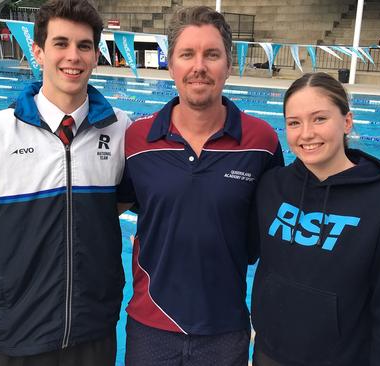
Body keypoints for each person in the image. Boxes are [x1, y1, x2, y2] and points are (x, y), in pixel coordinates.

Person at [0, 1, 131, 365]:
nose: (72, 57)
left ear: (95, 56)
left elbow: (127, 204)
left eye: (84, 46)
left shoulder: (121, 130)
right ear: (38, 52)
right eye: (61, 44)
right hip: (17, 336)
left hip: (93, 332)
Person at [117, 6, 284, 365]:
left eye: (211, 54)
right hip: (150, 326)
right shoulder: (137, 139)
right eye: (187, 54)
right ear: (171, 63)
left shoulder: (262, 142)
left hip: (225, 329)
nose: (199, 66)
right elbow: (108, 208)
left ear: (228, 63)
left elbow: (273, 236)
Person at [251, 72, 380, 365]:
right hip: (270, 354)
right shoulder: (271, 186)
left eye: (319, 119)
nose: (306, 133)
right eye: (294, 122)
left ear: (347, 121)